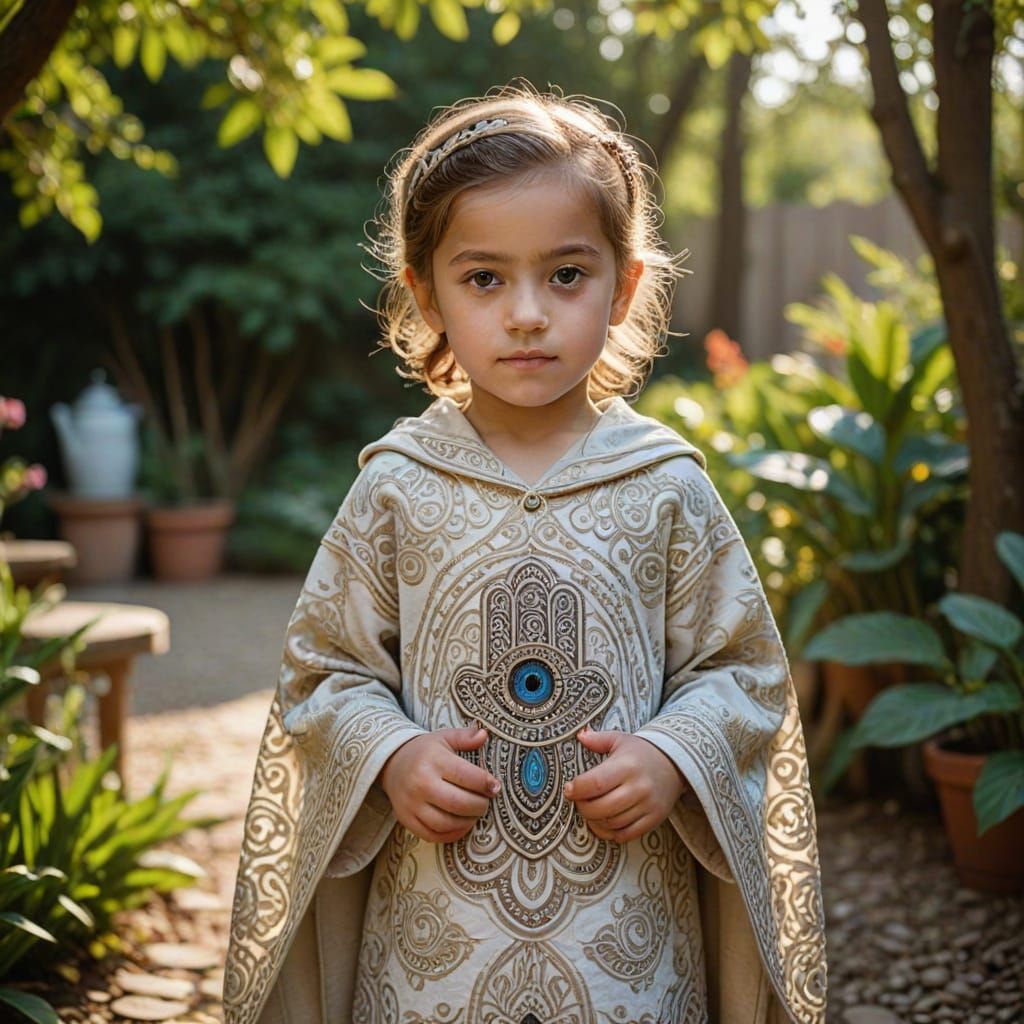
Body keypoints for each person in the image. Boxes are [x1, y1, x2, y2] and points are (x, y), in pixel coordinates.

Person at [223, 83, 827, 1024]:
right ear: (426, 292)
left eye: (567, 275)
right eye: (485, 279)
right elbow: (324, 673)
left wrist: (674, 754)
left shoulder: (666, 485)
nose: (528, 315)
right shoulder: (397, 486)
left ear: (625, 286)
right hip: (437, 944)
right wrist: (390, 755)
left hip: (625, 946)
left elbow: (741, 672)